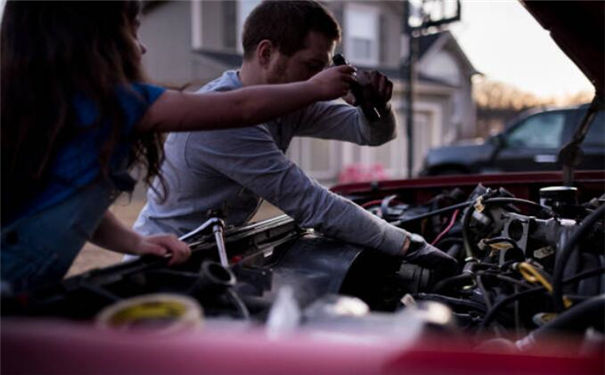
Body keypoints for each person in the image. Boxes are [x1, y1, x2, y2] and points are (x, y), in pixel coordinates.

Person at [0, 0, 355, 291]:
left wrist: (134, 242)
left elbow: (73, 204)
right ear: (91, 38)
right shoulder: (122, 105)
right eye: (132, 29)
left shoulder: (49, 111)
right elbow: (240, 107)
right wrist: (314, 89)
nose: (141, 46)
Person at [134, 1, 457, 273]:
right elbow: (312, 205)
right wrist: (410, 245)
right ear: (266, 53)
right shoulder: (222, 117)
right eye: (312, 65)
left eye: (325, 68)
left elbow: (371, 135)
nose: (320, 79)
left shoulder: (288, 101)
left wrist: (377, 107)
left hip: (220, 251)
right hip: (161, 265)